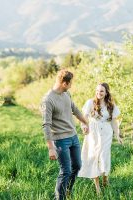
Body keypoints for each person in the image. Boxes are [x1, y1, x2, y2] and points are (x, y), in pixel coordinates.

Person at [41, 69, 89, 200]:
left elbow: (75, 109)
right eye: (70, 83)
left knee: (77, 166)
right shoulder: (48, 100)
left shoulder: (67, 94)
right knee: (66, 171)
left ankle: (67, 191)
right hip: (60, 140)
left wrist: (86, 122)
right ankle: (59, 198)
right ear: (64, 83)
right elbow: (46, 125)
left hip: (73, 137)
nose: (72, 85)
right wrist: (51, 148)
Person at [78, 82, 122, 194]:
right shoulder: (90, 103)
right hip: (93, 132)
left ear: (106, 92)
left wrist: (117, 135)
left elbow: (114, 122)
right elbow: (83, 117)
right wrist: (84, 126)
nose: (99, 93)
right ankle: (97, 187)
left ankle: (105, 177)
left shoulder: (111, 106)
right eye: (97, 91)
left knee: (104, 156)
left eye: (101, 91)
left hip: (106, 132)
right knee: (94, 157)